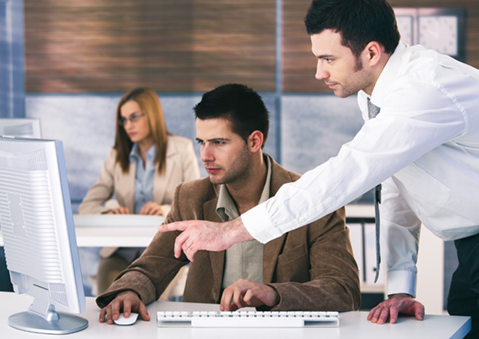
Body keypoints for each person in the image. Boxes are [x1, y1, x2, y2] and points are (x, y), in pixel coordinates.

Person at [159, 0, 479, 336]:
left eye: (328, 59)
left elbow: (348, 172)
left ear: (371, 53)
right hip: (469, 249)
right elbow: (395, 181)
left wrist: (230, 231)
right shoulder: (375, 95)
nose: (319, 72)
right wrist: (401, 285)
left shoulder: (424, 90)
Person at [96, 83, 360, 324]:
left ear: (254, 141)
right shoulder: (190, 198)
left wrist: (272, 294)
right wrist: (129, 291)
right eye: (202, 142)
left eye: (219, 143)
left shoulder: (312, 199)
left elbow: (343, 290)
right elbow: (150, 268)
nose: (205, 155)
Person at [78, 87, 200, 295]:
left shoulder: (181, 149)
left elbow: (196, 204)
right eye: (123, 120)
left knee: (147, 301)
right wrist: (109, 213)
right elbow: (87, 206)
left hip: (164, 252)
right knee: (109, 299)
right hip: (120, 251)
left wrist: (163, 210)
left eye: (134, 117)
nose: (128, 125)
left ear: (151, 115)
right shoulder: (117, 156)